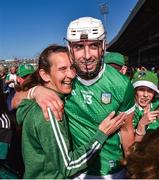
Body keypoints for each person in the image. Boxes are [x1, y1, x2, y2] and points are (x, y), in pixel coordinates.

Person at [13, 17, 135, 178]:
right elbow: (15, 102)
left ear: (103, 46)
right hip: (75, 172)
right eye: (79, 46)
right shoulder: (64, 79)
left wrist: (133, 170)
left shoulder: (122, 84)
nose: (86, 55)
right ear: (70, 48)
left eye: (93, 45)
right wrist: (36, 91)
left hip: (113, 171)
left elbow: (127, 131)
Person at [132, 70, 159, 142]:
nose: (146, 95)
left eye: (150, 90)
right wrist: (141, 124)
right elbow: (133, 149)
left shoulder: (157, 105)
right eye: (141, 89)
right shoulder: (128, 110)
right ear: (134, 91)